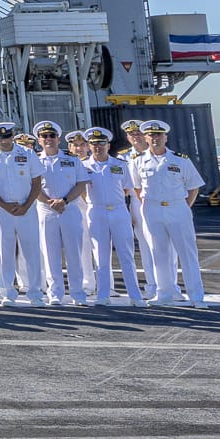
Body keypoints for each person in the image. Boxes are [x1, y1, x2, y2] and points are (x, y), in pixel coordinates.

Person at [131, 119, 207, 307]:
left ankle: (196, 297)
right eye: (151, 135)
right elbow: (137, 188)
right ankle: (163, 294)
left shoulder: (180, 159)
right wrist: (150, 205)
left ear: (166, 137)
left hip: (177, 207)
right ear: (146, 138)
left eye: (158, 135)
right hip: (151, 208)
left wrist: (183, 206)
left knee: (187, 253)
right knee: (158, 253)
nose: (154, 138)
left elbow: (193, 187)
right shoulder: (138, 161)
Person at [0, 123, 45, 306]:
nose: (5, 141)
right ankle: (8, 293)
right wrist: (4, 205)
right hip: (1, 210)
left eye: (7, 137)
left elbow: (36, 182)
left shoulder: (27, 153)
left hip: (27, 208)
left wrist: (26, 205)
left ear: (12, 136)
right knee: (5, 252)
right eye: (0, 138)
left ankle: (35, 293)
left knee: (31, 252)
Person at [82, 127, 146, 307]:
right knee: (100, 256)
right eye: (94, 144)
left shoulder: (120, 165)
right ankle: (103, 295)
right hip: (96, 211)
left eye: (101, 143)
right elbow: (81, 191)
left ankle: (135, 296)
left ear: (108, 145)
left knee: (126, 255)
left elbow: (127, 189)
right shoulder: (84, 166)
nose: (98, 147)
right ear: (89, 146)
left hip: (118, 210)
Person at [33, 122, 90, 307]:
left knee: (74, 253)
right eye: (44, 137)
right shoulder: (34, 160)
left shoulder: (72, 160)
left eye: (51, 136)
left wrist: (64, 201)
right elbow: (31, 186)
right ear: (39, 140)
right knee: (50, 254)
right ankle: (55, 293)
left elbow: (81, 183)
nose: (48, 140)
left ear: (58, 138)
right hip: (46, 211)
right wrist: (50, 202)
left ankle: (78, 293)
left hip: (69, 209)